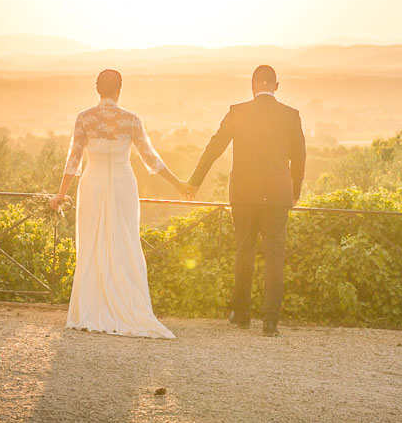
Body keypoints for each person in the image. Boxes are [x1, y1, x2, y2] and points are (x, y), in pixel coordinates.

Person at [50, 69, 190, 337]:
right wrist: (178, 185)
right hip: (124, 184)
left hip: (93, 183)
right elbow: (151, 158)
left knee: (93, 243)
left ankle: (92, 307)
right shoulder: (131, 119)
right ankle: (127, 305)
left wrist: (60, 194)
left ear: (97, 89)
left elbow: (73, 160)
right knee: (125, 241)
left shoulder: (85, 118)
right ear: (119, 89)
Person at [187, 65, 306, 336]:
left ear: (252, 86)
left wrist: (195, 181)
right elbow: (300, 158)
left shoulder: (237, 112)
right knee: (275, 257)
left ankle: (241, 316)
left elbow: (214, 147)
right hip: (277, 195)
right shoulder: (291, 115)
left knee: (244, 252)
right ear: (277, 86)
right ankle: (270, 322)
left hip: (243, 194)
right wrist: (295, 191)